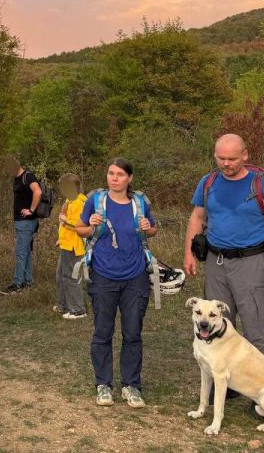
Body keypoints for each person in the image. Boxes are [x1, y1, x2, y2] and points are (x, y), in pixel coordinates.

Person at [183, 134, 264, 362]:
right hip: (216, 262)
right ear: (214, 155)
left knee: (255, 330)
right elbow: (197, 218)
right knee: (216, 327)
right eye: (221, 158)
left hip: (251, 263)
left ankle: (263, 389)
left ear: (245, 155)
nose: (226, 164)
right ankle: (226, 382)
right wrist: (190, 254)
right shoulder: (209, 182)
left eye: (232, 158)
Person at [75, 158, 158, 409]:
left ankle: (131, 386)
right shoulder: (96, 201)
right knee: (103, 332)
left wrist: (148, 227)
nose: (114, 178)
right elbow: (79, 229)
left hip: (135, 276)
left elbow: (152, 229)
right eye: (110, 173)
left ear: (129, 178)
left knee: (132, 332)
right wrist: (90, 226)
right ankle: (103, 385)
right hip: (103, 275)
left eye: (120, 174)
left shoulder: (140, 202)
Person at [1, 162, 42, 295]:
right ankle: (27, 281)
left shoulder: (28, 176)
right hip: (21, 222)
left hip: (26, 222)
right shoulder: (17, 178)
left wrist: (31, 210)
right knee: (26, 252)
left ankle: (17, 284)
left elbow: (38, 191)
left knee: (20, 253)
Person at [55, 173, 87, 320]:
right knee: (61, 275)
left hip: (74, 246)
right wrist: (60, 239)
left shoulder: (80, 203)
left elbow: (80, 225)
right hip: (65, 243)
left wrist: (65, 220)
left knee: (72, 277)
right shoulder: (70, 200)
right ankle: (63, 304)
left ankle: (78, 309)